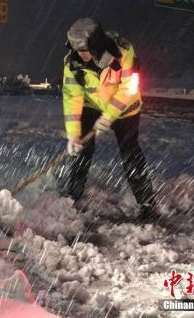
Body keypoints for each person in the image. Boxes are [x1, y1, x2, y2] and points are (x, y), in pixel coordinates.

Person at [60, 17, 158, 221]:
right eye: (76, 50)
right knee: (81, 151)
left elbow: (129, 90)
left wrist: (108, 117)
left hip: (126, 109)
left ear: (96, 46)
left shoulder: (122, 53)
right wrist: (73, 135)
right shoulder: (73, 64)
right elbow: (72, 98)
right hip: (92, 105)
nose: (80, 54)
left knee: (130, 154)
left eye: (83, 50)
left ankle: (147, 204)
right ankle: (73, 195)